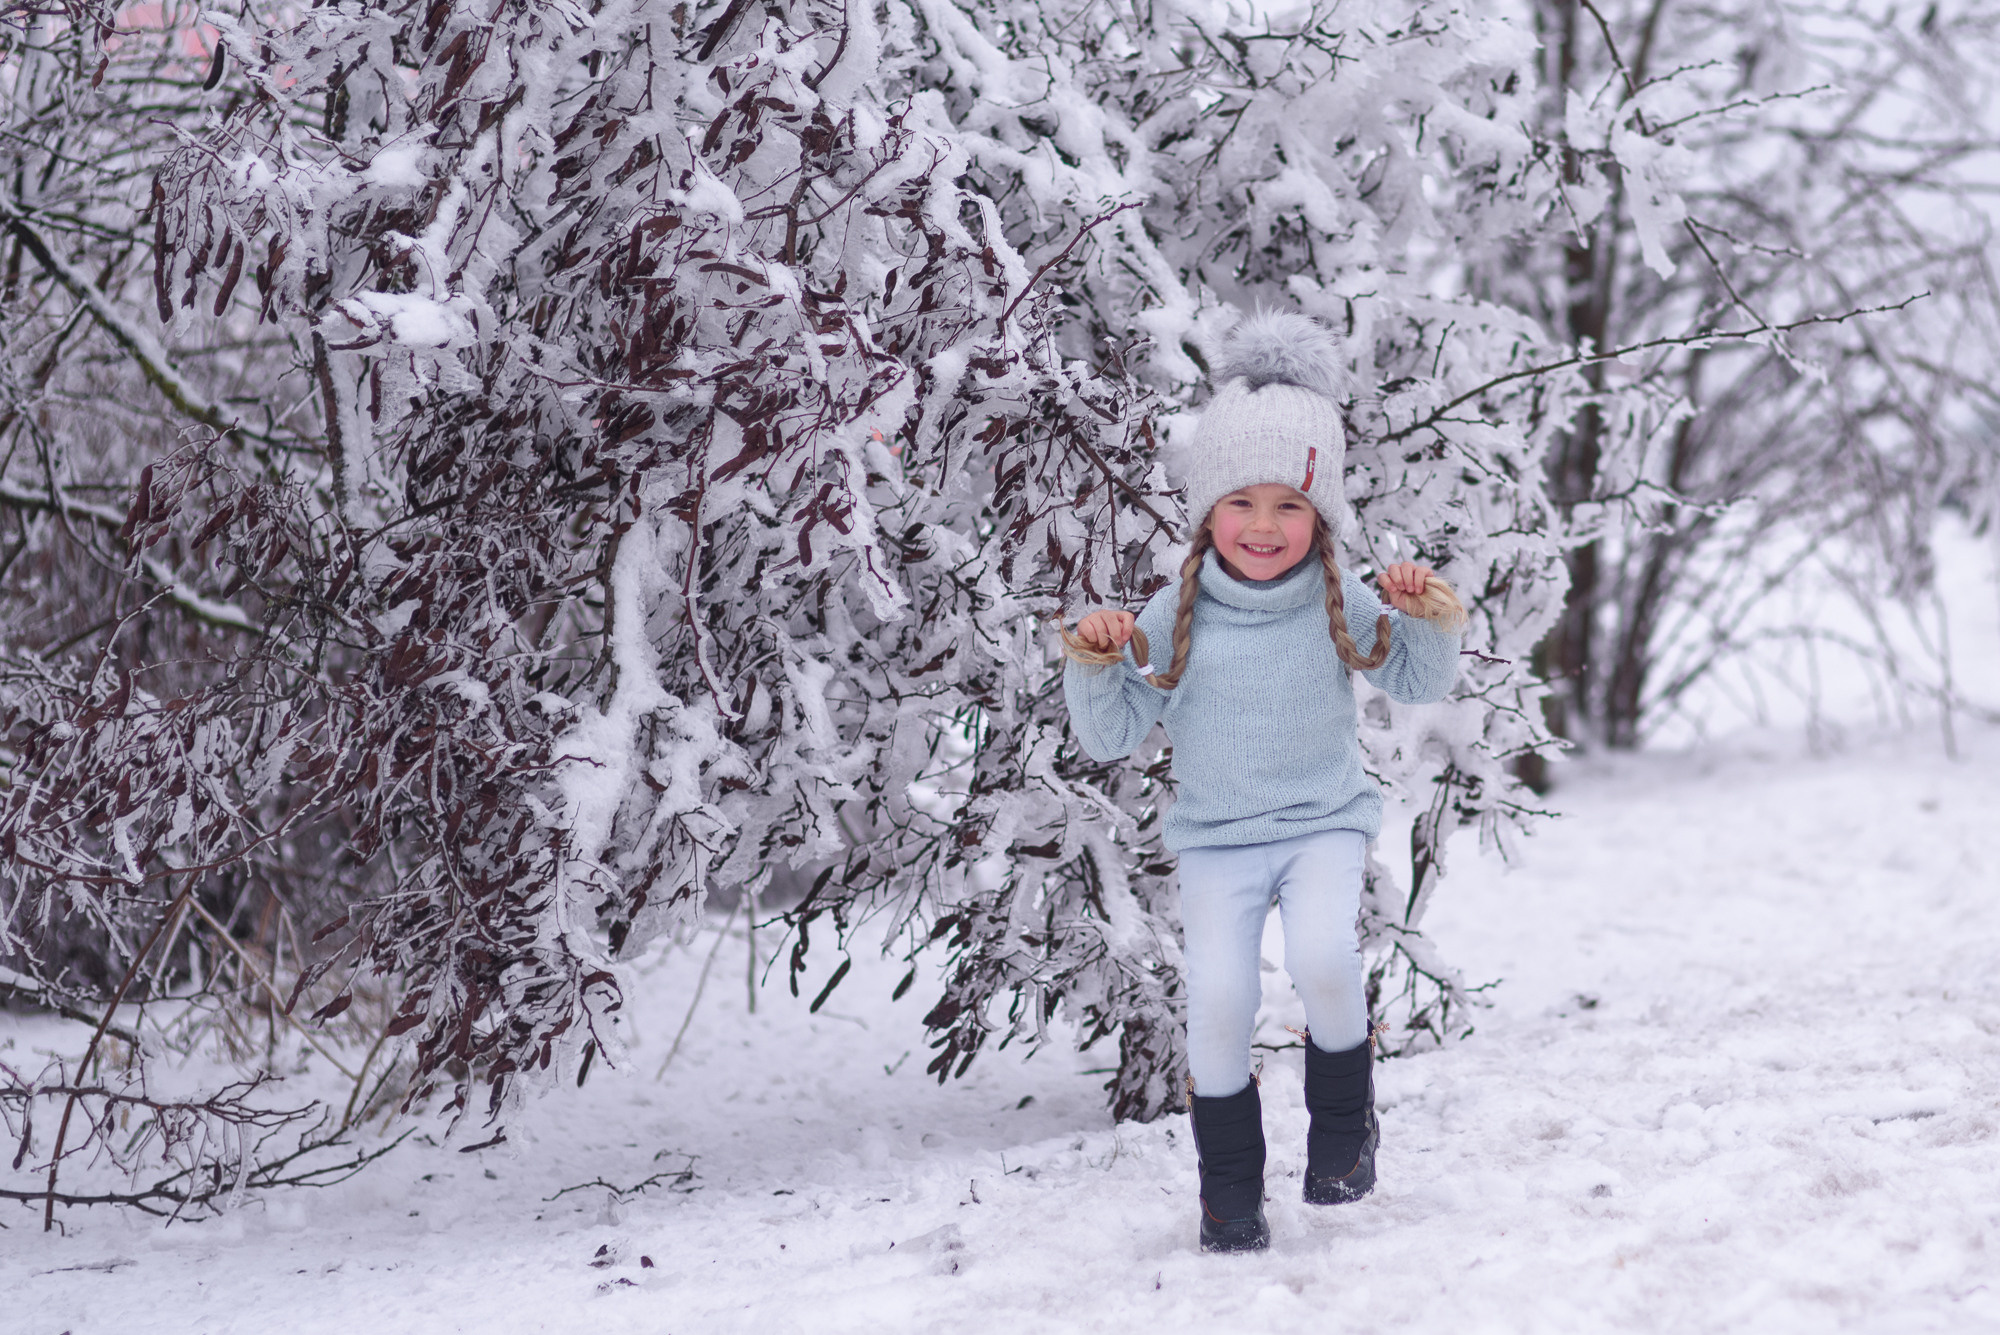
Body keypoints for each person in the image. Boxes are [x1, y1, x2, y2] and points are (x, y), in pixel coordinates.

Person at [1060, 312, 1467, 1253]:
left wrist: (1427, 617)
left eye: (1289, 504)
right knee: (1219, 1003)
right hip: (1216, 838)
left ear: (1318, 515)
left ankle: (1342, 1134)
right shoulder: (1177, 611)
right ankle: (1230, 1195)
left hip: (1322, 819)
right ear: (1208, 510)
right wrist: (1094, 663)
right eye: (1241, 503)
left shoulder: (1338, 592)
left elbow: (1414, 680)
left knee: (1326, 958)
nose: (1264, 525)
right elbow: (1114, 731)